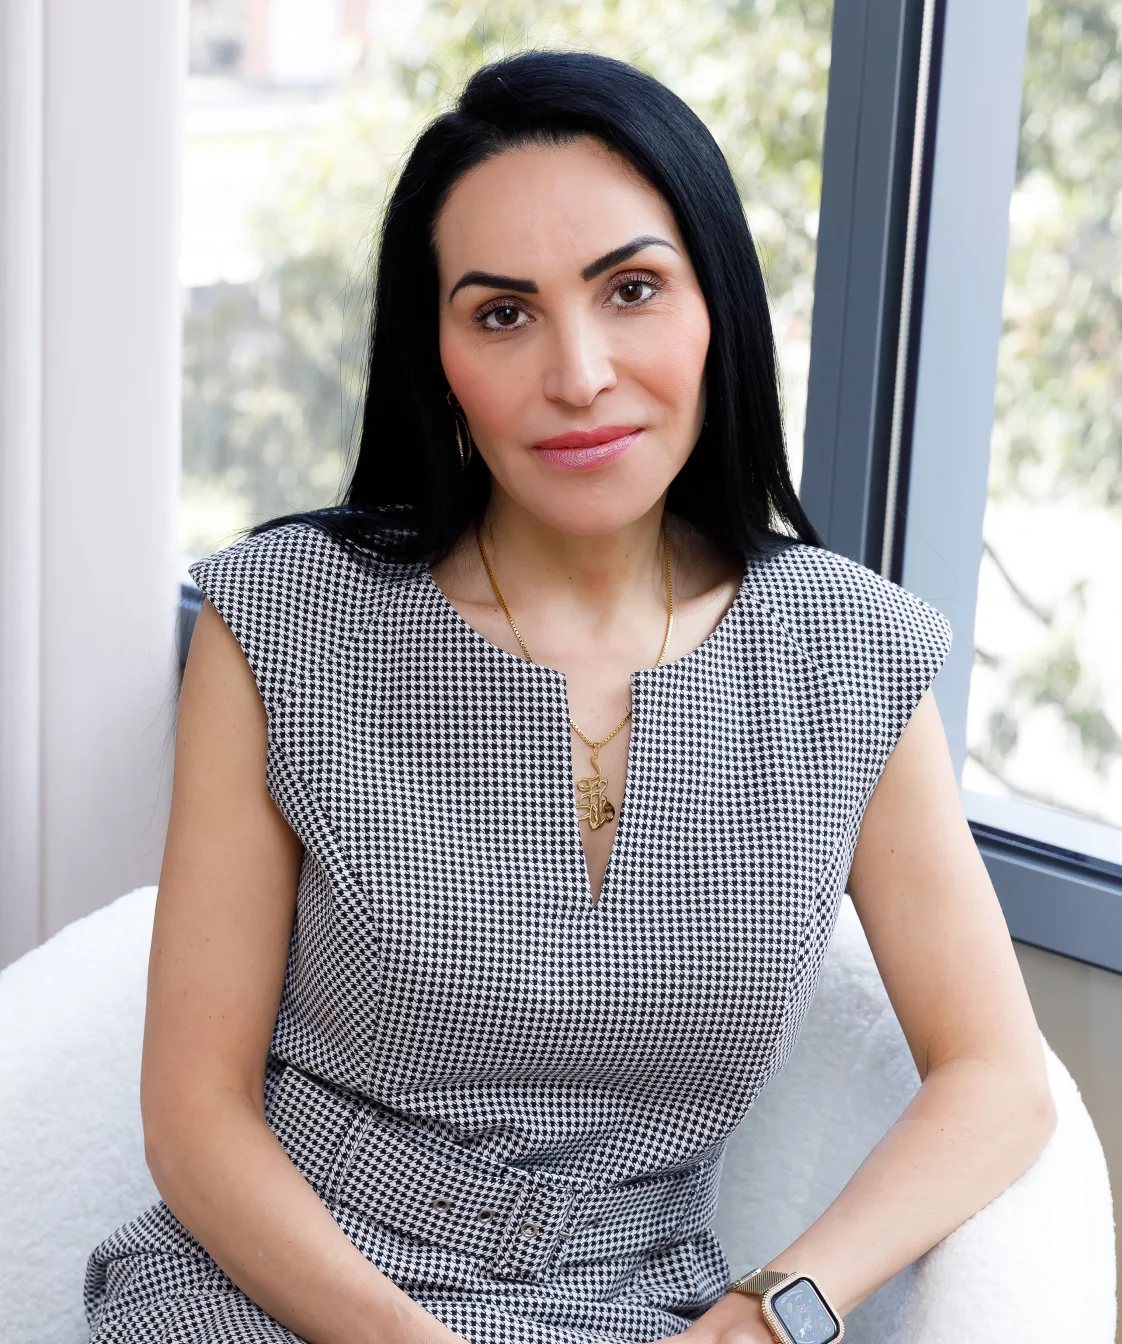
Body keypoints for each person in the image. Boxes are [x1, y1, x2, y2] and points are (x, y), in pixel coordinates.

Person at [84, 48, 1057, 1344]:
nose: (580, 372)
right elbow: (193, 1117)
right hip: (283, 1295)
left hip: (642, 1312)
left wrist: (776, 1308)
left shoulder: (850, 651)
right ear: (436, 357)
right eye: (503, 314)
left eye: (631, 289)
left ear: (716, 307)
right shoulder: (279, 618)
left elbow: (998, 1079)